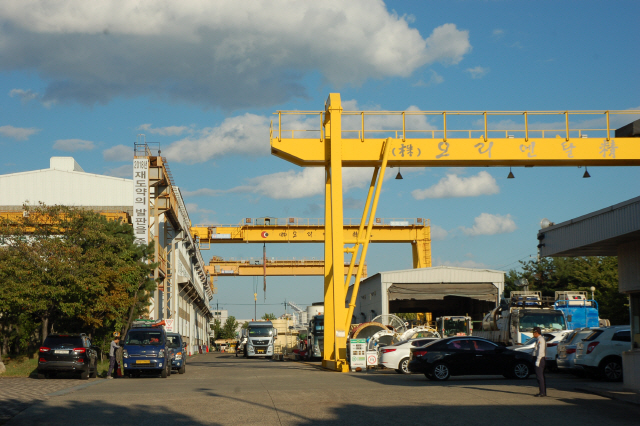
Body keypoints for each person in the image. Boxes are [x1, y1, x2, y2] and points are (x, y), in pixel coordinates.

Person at [532, 326, 547, 397]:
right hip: (539, 358)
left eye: (533, 332)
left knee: (540, 377)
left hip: (540, 359)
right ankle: (542, 391)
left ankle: (542, 392)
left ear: (536, 332)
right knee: (539, 376)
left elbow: (540, 351)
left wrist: (538, 360)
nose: (533, 334)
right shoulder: (538, 339)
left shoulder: (541, 339)